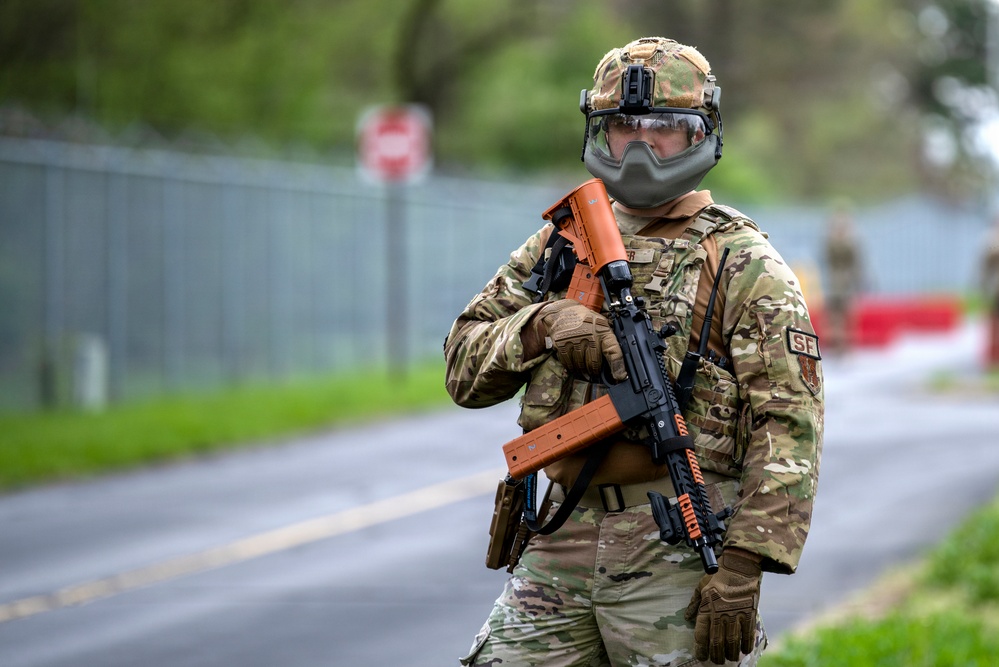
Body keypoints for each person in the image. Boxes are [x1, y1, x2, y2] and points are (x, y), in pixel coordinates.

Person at [444, 36, 823, 666]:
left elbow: (789, 428)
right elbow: (462, 367)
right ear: (600, 131)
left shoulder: (740, 260)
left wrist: (742, 565)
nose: (642, 145)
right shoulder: (559, 246)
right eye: (624, 126)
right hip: (559, 535)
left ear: (700, 134)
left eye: (665, 127)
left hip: (674, 547)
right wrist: (542, 324)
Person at [822, 206, 863, 355]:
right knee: (834, 316)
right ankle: (835, 345)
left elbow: (855, 264)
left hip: (844, 283)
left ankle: (844, 346)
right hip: (835, 283)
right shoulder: (832, 243)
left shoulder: (849, 244)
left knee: (846, 316)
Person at [981, 216, 999, 368]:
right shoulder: (992, 238)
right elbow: (986, 265)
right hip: (995, 288)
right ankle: (993, 359)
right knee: (994, 323)